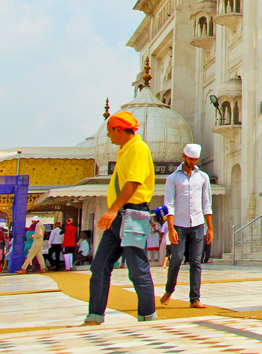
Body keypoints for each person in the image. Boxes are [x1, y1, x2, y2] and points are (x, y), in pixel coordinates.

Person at [85, 111, 157, 325]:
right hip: (120, 216)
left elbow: (133, 183)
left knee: (136, 268)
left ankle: (147, 314)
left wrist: (111, 210)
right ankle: (95, 314)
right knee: (100, 265)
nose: (108, 136)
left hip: (132, 214)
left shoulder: (138, 148)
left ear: (118, 129)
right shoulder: (125, 150)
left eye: (109, 131)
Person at [160, 143, 213, 310]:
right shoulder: (173, 178)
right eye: (190, 159)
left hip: (198, 224)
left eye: (195, 159)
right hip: (179, 225)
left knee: (196, 262)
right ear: (184, 157)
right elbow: (169, 204)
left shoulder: (203, 177)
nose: (192, 162)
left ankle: (195, 298)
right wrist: (170, 228)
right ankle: (169, 290)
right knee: (176, 259)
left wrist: (209, 227)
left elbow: (207, 203)